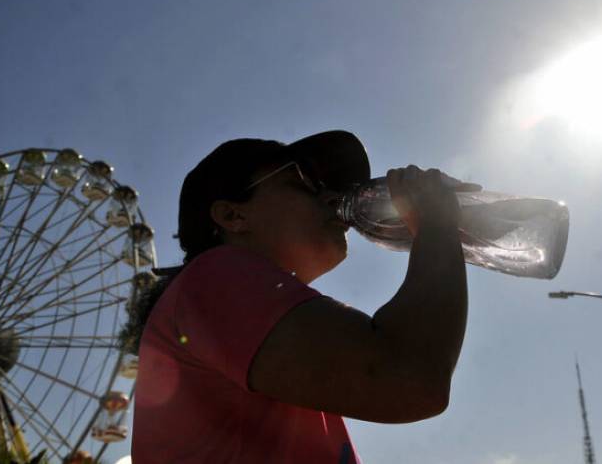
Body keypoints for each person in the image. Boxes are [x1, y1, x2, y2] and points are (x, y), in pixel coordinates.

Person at [131, 130, 472, 463]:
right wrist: (436, 224)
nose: (331, 198)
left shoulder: (227, 312)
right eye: (306, 181)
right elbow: (410, 376)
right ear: (234, 215)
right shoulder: (211, 278)